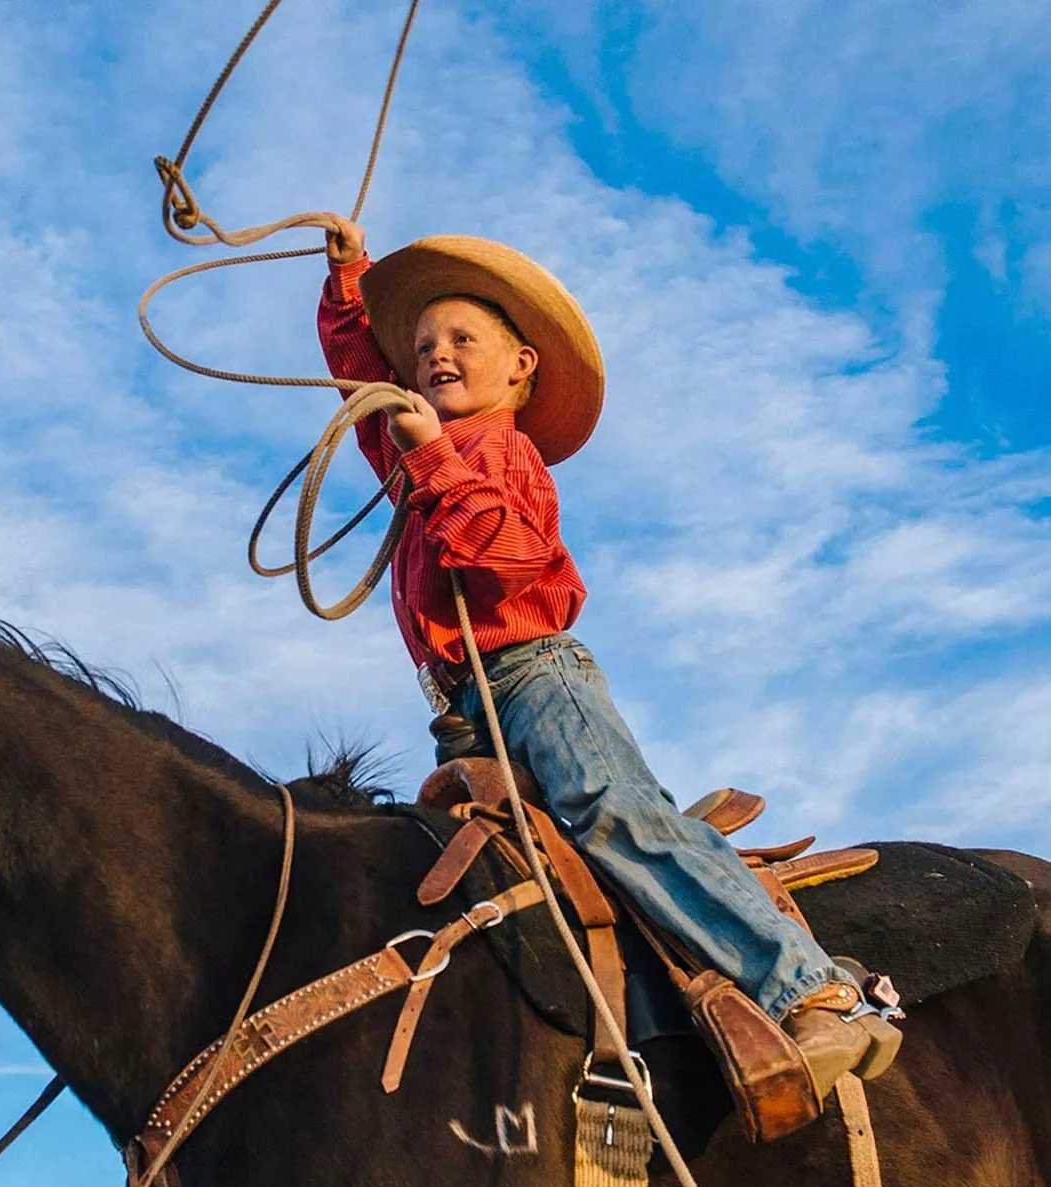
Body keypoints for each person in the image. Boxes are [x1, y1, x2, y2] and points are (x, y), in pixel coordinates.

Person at [315, 213, 900, 1099]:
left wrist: (433, 457)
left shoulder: (502, 453)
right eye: (423, 344)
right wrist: (348, 281)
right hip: (462, 714)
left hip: (533, 679)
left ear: (520, 367)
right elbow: (362, 378)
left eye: (463, 338)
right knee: (494, 879)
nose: (435, 354)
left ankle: (811, 991)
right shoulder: (418, 458)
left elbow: (507, 554)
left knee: (613, 814)